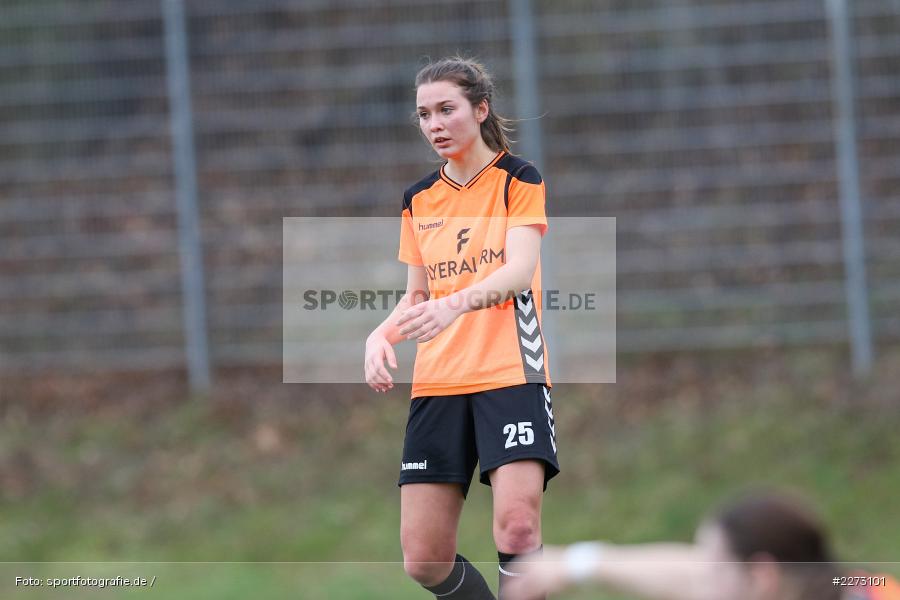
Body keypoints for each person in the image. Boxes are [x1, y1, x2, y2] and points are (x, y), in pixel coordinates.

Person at [364, 56, 559, 600]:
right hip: (439, 383)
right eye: (424, 114)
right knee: (424, 560)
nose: (435, 124)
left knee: (517, 528)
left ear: (480, 109)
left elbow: (519, 271)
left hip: (510, 375)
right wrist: (381, 335)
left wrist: (455, 306)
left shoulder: (518, 179)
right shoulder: (418, 199)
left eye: (446, 109)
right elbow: (418, 297)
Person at [503, 490, 900, 600]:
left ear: (763, 575)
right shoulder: (851, 583)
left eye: (713, 567)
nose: (700, 576)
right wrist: (582, 562)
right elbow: (687, 574)